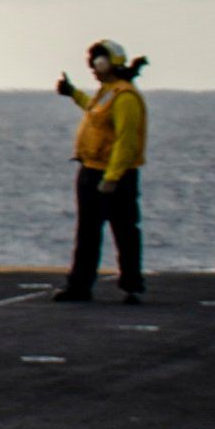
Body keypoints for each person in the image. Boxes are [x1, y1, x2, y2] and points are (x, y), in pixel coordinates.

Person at [53, 40, 150, 304]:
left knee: (125, 232)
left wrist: (112, 177)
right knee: (87, 233)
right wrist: (73, 93)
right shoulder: (107, 92)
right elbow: (94, 111)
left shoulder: (125, 97)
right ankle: (79, 286)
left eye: (97, 63)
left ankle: (131, 286)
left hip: (114, 177)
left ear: (110, 63)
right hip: (90, 171)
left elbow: (126, 141)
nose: (93, 69)